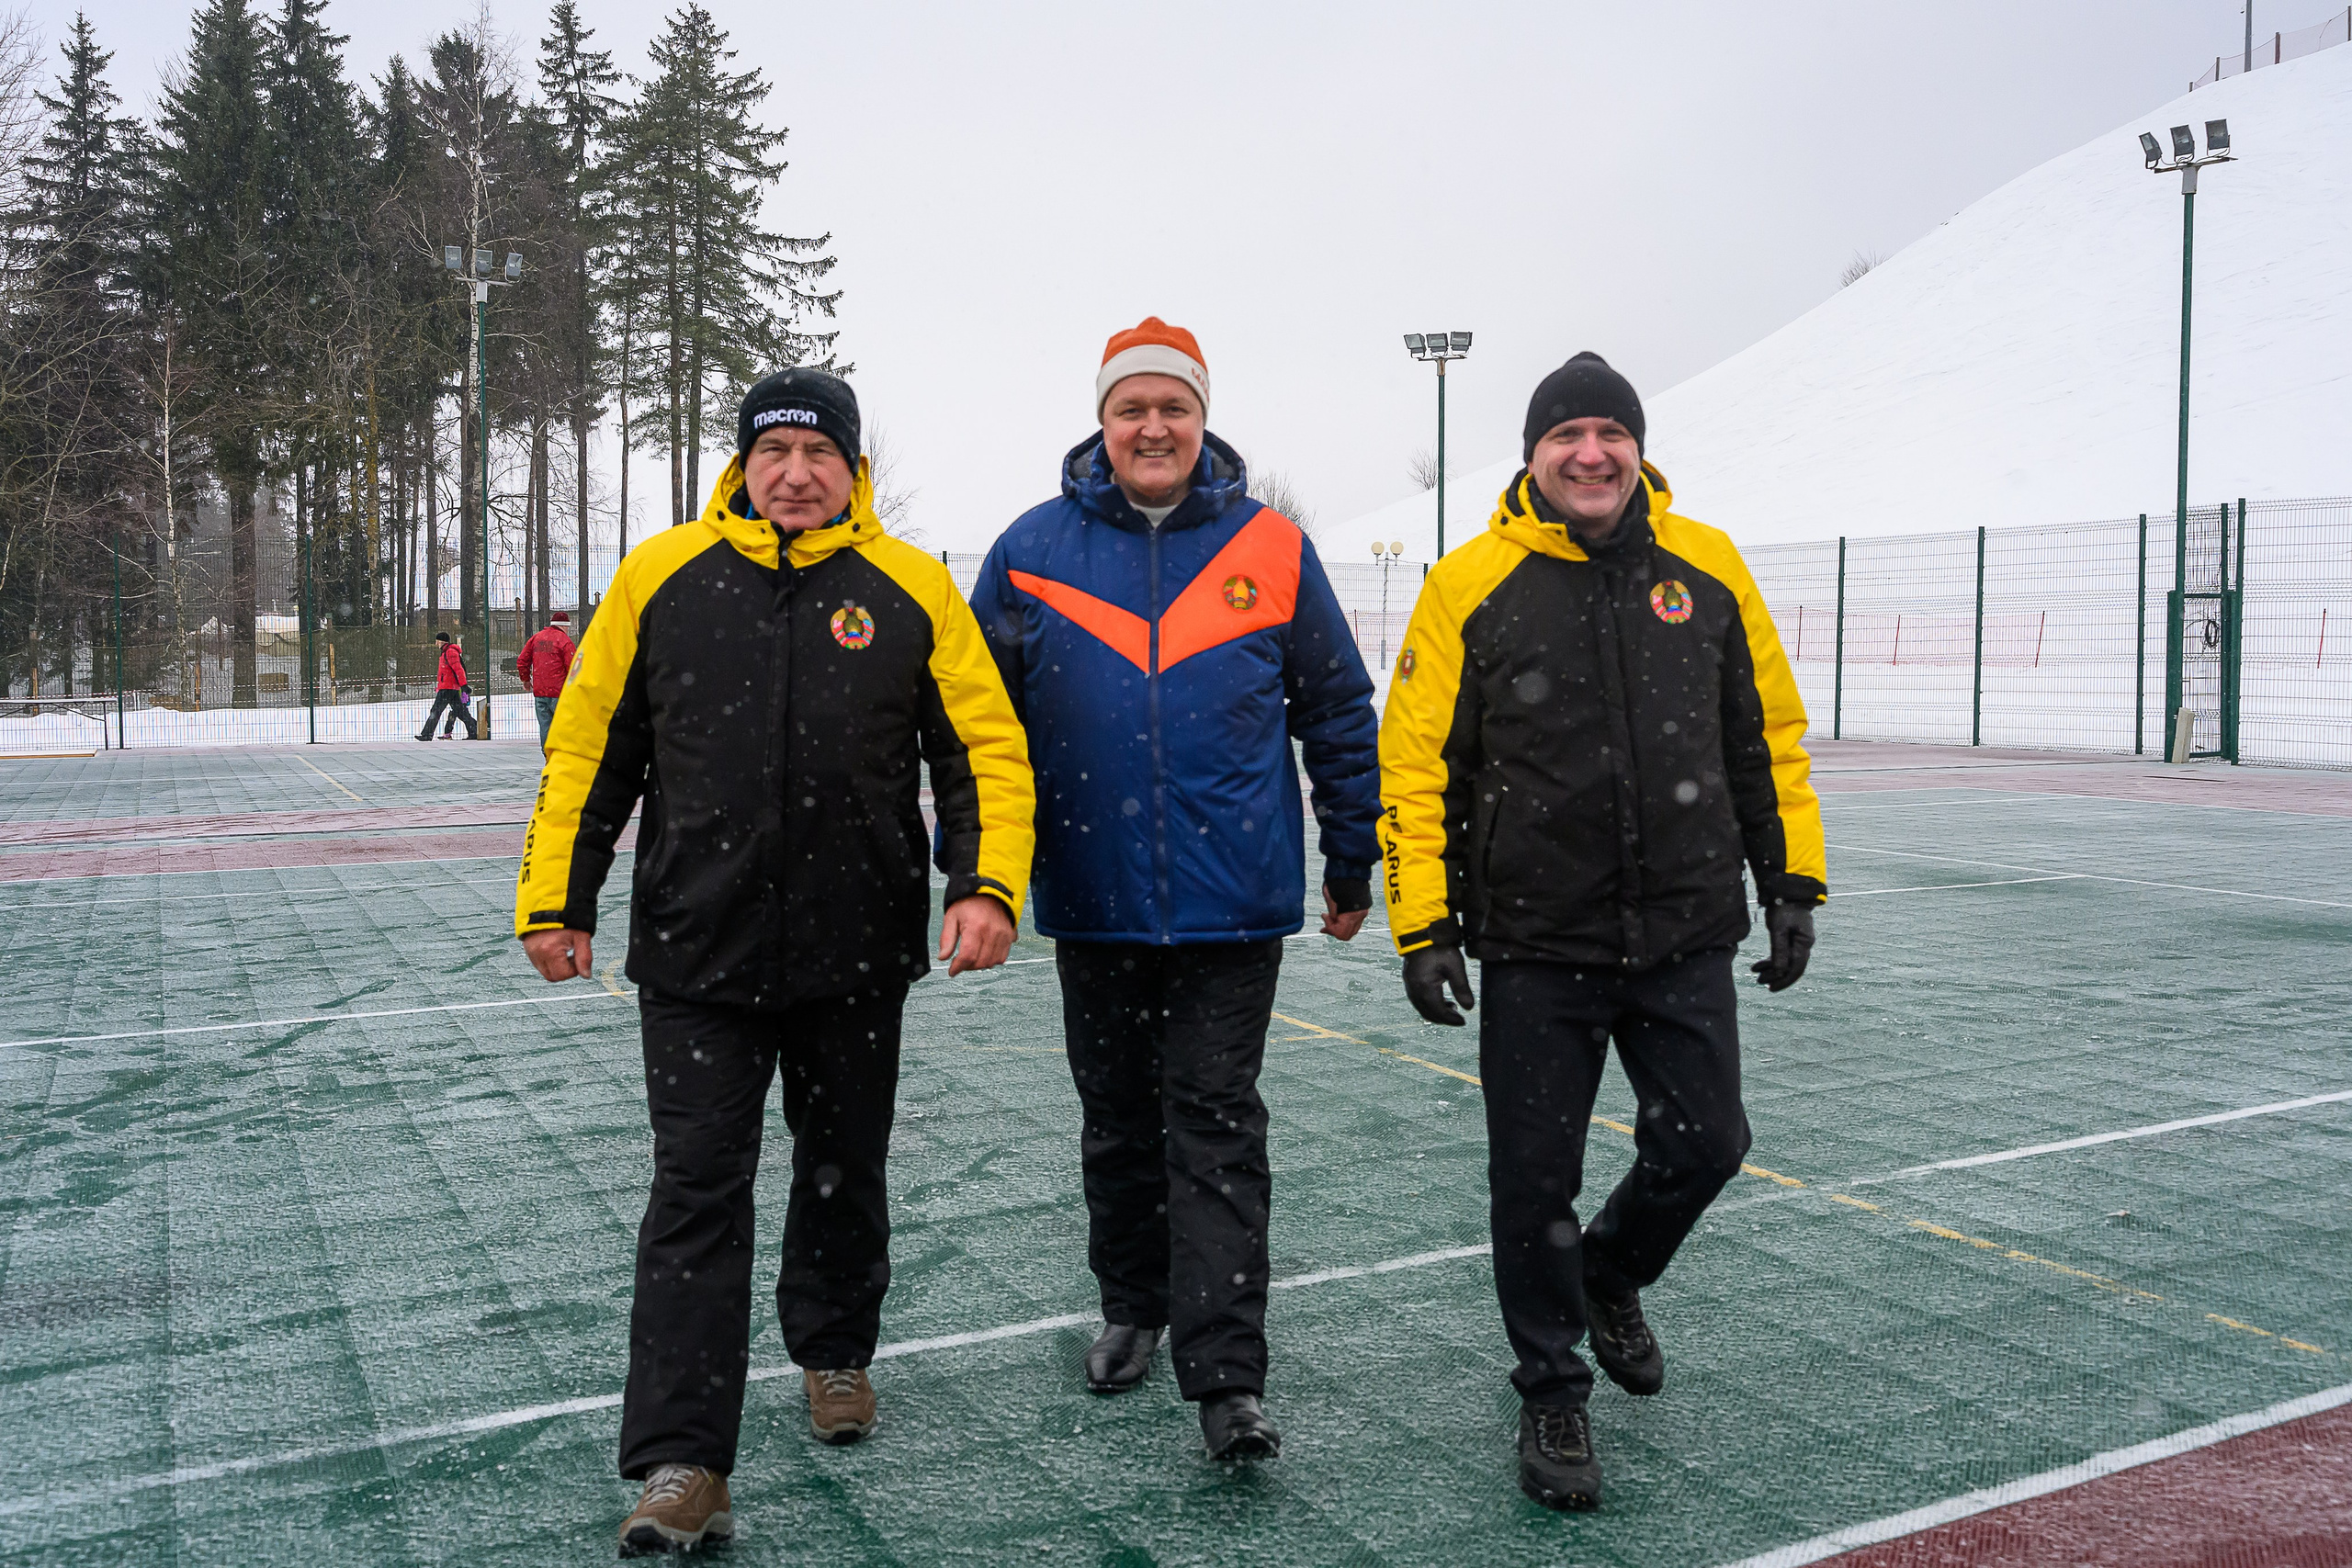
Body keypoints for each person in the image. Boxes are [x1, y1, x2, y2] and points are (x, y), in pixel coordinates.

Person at [513, 368, 1035, 1557]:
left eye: (819, 450)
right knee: (695, 1192)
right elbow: (592, 748)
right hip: (697, 954)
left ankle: (836, 1349)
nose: (795, 471)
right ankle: (681, 1458)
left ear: (853, 467)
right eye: (774, 450)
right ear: (741, 465)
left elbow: (983, 750)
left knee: (842, 1166)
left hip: (856, 953)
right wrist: (558, 894)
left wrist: (987, 883)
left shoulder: (910, 587)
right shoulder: (661, 579)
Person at [1376, 352, 1826, 1512]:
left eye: (1608, 434)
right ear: (1531, 457)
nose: (1590, 453)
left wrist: (1791, 880)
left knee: (1707, 1143)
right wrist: (1420, 922)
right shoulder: (1469, 582)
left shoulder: (1707, 568)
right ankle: (1551, 1393)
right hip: (1535, 942)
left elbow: (1763, 735)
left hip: (1682, 929)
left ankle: (1612, 1274)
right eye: (1565, 434)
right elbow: (1418, 764)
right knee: (1534, 1181)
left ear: (1637, 449)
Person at [968, 317, 1381, 1461]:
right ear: (1101, 422)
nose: (1154, 426)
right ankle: (1131, 1307)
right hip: (1092, 897)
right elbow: (969, 731)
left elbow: (1338, 713)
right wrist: (980, 873)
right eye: (1132, 407)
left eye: (1174, 407)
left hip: (1232, 905)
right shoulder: (1028, 549)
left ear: (1204, 419)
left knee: (1214, 1126)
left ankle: (1228, 1378)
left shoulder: (1275, 550)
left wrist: (1352, 857)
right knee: (1115, 1122)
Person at [515, 608, 576, 749]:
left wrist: (526, 680)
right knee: (563, 727)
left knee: (545, 726)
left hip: (540, 692)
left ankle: (547, 754)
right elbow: (573, 668)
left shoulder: (536, 638)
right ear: (564, 626)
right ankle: (561, 756)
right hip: (560, 693)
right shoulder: (564, 641)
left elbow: (522, 660)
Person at [416, 631, 476, 740]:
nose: (436, 644)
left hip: (447, 688)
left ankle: (427, 734)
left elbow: (459, 670)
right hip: (450, 687)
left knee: (436, 711)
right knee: (460, 712)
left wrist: (464, 685)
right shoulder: (447, 652)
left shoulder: (450, 652)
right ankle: (474, 731)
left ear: (441, 641)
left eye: (437, 641)